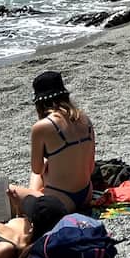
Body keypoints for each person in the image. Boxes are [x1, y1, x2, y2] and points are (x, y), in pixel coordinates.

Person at [27, 69, 96, 216]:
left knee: (14, 191)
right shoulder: (85, 119)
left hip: (61, 199)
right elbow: (90, 167)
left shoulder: (41, 127)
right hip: (86, 194)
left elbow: (37, 169)